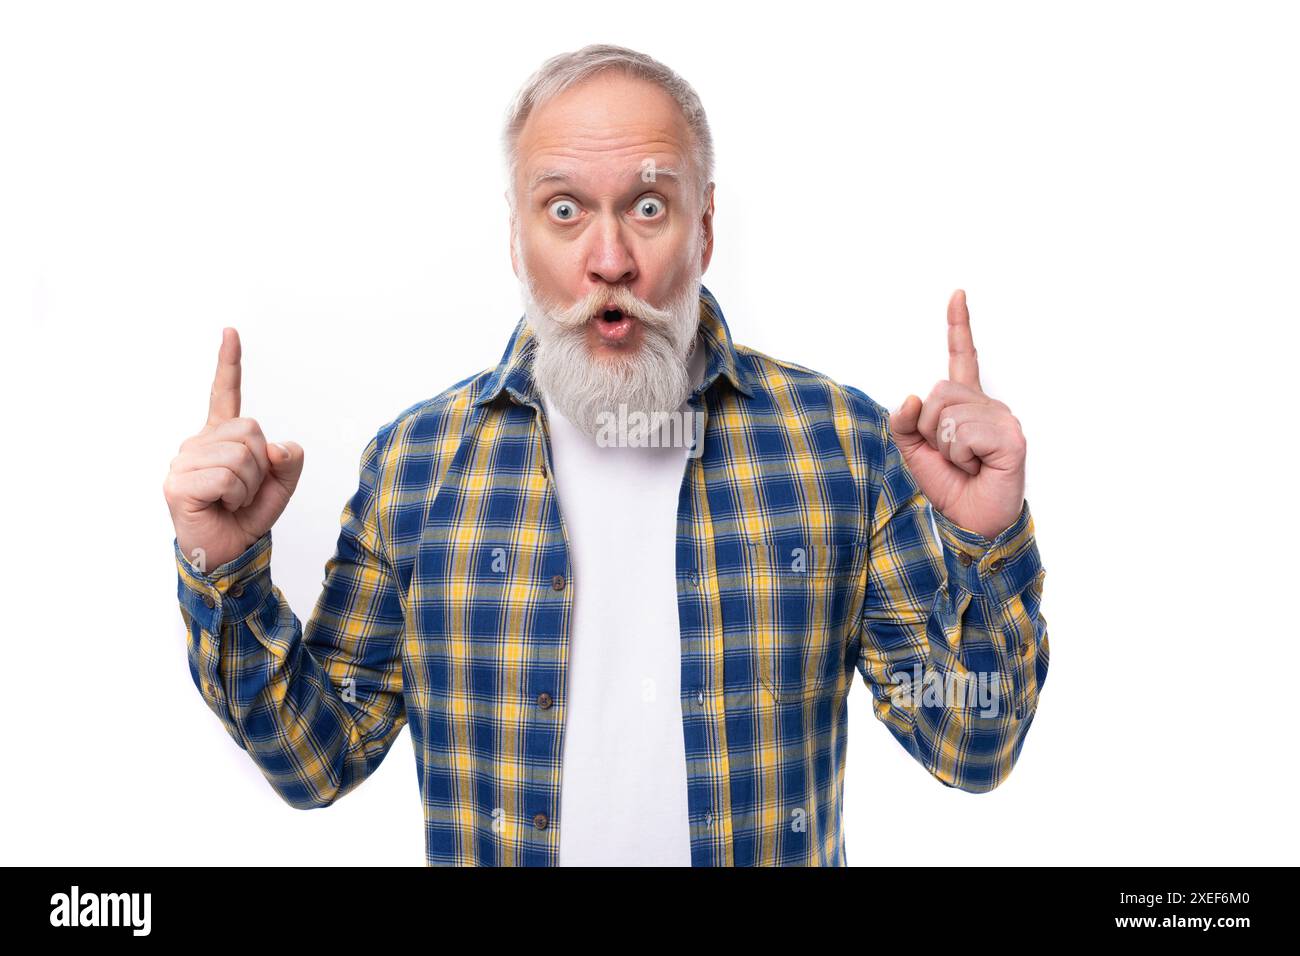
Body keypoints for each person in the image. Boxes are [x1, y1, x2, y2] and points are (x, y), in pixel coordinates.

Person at [164, 43, 1049, 866]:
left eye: (649, 207)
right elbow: (316, 761)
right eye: (564, 210)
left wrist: (986, 543)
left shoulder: (842, 450)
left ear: (704, 230)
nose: (610, 259)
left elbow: (971, 745)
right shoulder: (416, 466)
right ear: (517, 236)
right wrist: (224, 566)